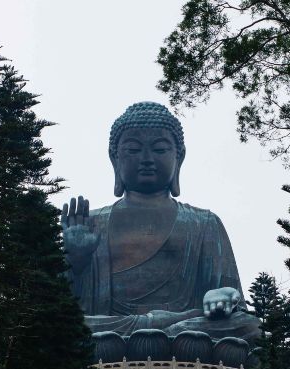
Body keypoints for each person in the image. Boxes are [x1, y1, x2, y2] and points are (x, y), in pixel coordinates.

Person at [61, 102, 261, 346]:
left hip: (185, 325)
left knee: (249, 326)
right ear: (115, 158)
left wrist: (221, 296)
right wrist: (77, 262)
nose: (146, 159)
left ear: (179, 157)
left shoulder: (204, 223)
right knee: (59, 326)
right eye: (133, 150)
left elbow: (231, 300)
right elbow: (64, 305)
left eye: (159, 149)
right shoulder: (90, 223)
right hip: (113, 329)